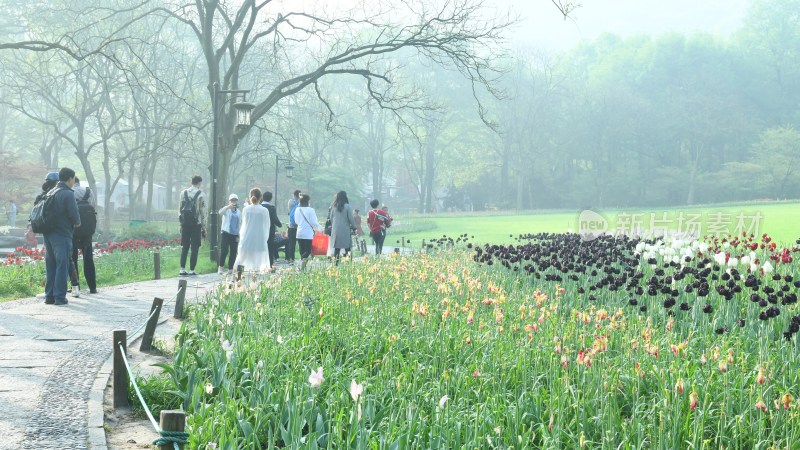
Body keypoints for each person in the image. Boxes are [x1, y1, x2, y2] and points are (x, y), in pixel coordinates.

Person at [42, 168, 80, 306]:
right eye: (73, 179)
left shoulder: (51, 192)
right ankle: (59, 297)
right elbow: (74, 216)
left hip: (48, 234)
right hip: (62, 234)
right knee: (62, 265)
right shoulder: (67, 194)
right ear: (70, 179)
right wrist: (77, 223)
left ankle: (49, 296)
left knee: (51, 265)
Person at [233, 188, 271, 277]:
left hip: (247, 238)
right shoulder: (264, 210)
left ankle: (238, 279)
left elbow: (243, 224)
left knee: (241, 259)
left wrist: (241, 236)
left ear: (250, 197)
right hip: (260, 239)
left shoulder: (246, 209)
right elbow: (267, 225)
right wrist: (265, 238)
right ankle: (258, 281)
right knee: (259, 261)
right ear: (261, 197)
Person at [70, 177, 97, 295]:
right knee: (88, 258)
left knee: (73, 258)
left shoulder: (69, 193)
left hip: (74, 230)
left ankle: (76, 287)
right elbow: (93, 206)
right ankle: (92, 287)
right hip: (87, 231)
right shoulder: (88, 191)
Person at [178, 175, 206, 276]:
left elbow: (180, 210)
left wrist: (181, 224)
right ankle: (192, 270)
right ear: (199, 183)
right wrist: (204, 227)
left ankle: (182, 269)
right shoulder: (201, 194)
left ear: (192, 182)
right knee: (194, 247)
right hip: (196, 224)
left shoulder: (183, 193)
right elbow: (203, 212)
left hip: (185, 224)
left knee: (184, 246)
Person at [294, 193, 322, 271]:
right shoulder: (310, 210)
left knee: (302, 250)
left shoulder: (297, 209)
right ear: (308, 201)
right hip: (308, 233)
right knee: (308, 251)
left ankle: (302, 267)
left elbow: (296, 221)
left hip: (299, 232)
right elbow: (314, 222)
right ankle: (300, 263)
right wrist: (320, 228)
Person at [329, 191, 356, 265]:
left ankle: (336, 263)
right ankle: (348, 263)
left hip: (335, 229)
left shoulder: (333, 206)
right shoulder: (347, 206)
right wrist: (354, 227)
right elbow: (351, 218)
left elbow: (331, 218)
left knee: (337, 248)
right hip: (345, 229)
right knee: (347, 247)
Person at [218, 193, 241, 275]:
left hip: (234, 234)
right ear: (229, 201)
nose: (233, 202)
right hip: (226, 233)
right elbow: (220, 212)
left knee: (233, 252)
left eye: (235, 200)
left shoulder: (239, 212)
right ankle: (220, 267)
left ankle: (230, 268)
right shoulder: (226, 210)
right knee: (224, 251)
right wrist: (228, 207)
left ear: (237, 201)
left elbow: (239, 223)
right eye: (232, 200)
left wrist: (239, 234)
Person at [260, 190, 283, 267]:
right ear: (270, 199)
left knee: (261, 246)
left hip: (260, 230)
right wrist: (280, 225)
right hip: (270, 230)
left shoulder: (259, 206)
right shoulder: (271, 208)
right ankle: (269, 264)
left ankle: (260, 263)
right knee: (270, 247)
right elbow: (275, 219)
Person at [285, 190, 301, 263]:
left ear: (294, 195)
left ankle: (291, 258)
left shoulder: (290, 202)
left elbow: (289, 211)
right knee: (301, 244)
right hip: (300, 226)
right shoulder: (301, 203)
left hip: (291, 226)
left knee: (291, 243)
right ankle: (302, 259)